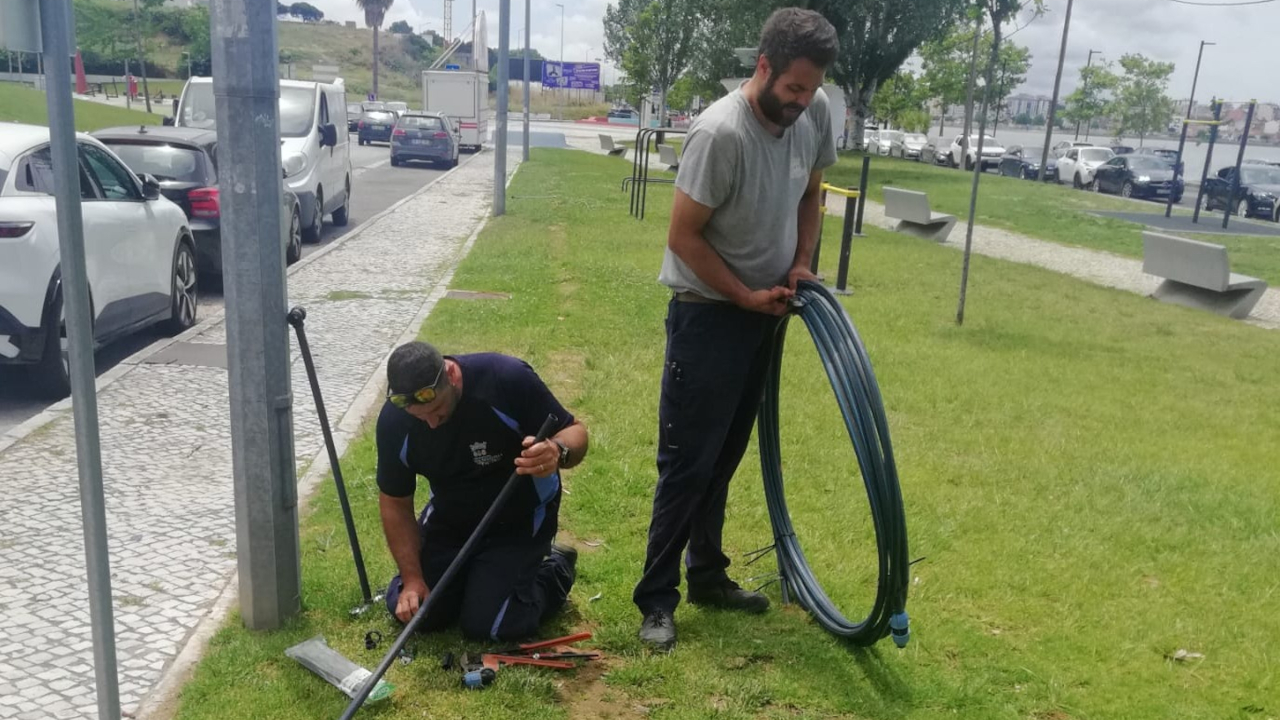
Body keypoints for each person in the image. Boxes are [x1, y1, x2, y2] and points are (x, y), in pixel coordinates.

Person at [633, 7, 840, 652]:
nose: (801, 103)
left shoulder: (816, 110)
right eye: (792, 89)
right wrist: (745, 294)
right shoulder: (720, 134)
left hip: (764, 313)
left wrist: (802, 263)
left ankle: (707, 576)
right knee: (687, 462)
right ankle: (657, 599)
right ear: (764, 66)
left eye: (810, 90)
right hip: (708, 314)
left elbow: (812, 191)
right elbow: (682, 237)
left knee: (724, 457)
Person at [376, 341, 588, 641]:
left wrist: (557, 450)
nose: (432, 424)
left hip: (519, 517)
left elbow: (576, 432)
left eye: (436, 409)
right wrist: (412, 579)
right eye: (420, 417)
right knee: (418, 613)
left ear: (450, 374)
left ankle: (556, 568)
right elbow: (395, 501)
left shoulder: (505, 378)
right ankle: (473, 580)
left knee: (491, 625)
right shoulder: (394, 422)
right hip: (452, 518)